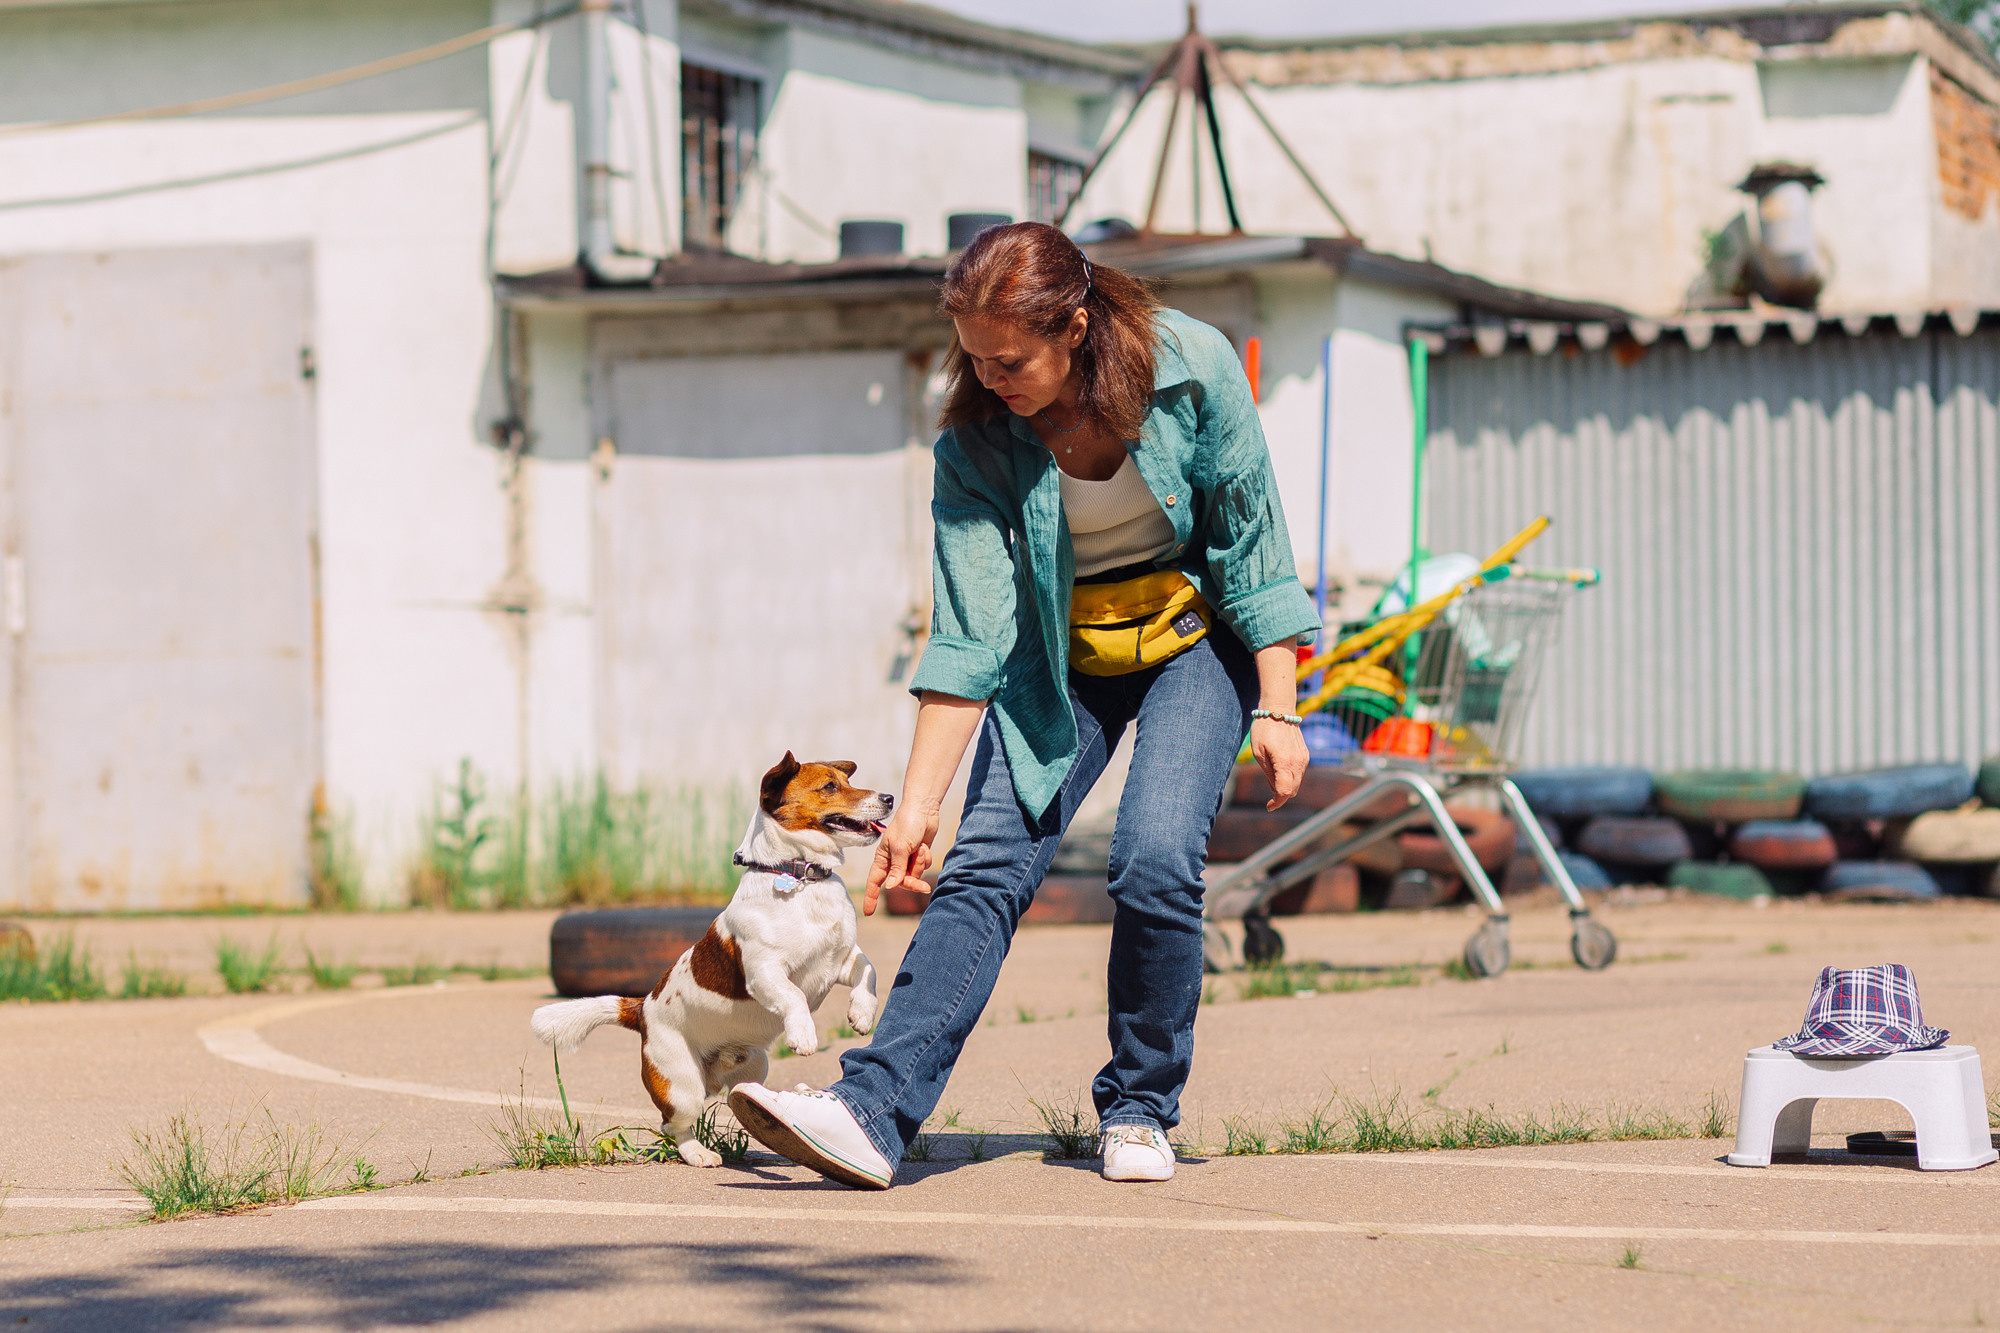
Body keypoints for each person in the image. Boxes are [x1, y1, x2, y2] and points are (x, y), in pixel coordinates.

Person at [729, 222, 1317, 1188]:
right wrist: (916, 806)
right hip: (1061, 659)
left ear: (1076, 325)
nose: (990, 377)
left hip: (1194, 647)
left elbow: (1253, 542)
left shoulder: (1193, 366)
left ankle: (1139, 1108)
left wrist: (1279, 703)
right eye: (975, 358)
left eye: (1010, 359)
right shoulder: (975, 444)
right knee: (985, 862)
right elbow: (968, 634)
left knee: (1156, 859)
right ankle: (870, 1111)